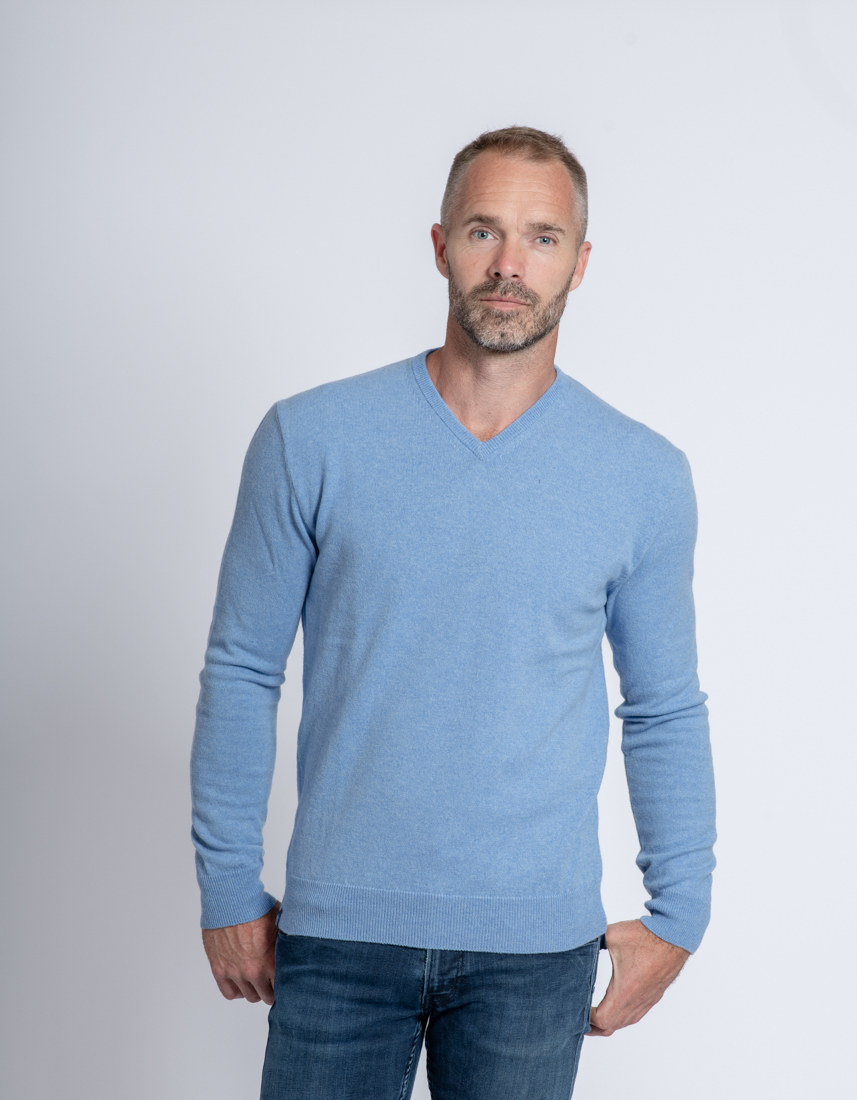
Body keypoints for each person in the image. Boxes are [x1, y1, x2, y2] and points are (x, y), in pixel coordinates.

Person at [191, 126, 716, 1100]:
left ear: (579, 262)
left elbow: (662, 706)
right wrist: (226, 885)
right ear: (440, 246)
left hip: (534, 952)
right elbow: (242, 668)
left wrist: (678, 913)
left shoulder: (641, 474)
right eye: (483, 230)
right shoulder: (311, 437)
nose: (509, 263)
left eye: (541, 237)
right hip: (338, 936)